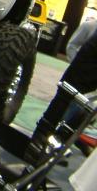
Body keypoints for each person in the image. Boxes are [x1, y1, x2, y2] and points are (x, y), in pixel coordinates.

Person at [27, 30, 97, 162]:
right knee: (63, 105)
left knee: (78, 110)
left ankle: (53, 145)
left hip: (85, 74)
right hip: (82, 72)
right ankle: (38, 145)